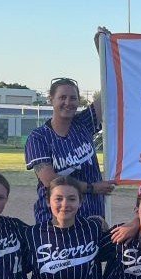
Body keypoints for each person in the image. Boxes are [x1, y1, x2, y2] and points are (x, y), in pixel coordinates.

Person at [25, 69, 114, 223]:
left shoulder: (83, 123)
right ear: (51, 99)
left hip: (91, 215)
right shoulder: (39, 137)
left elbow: (109, 94)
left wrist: (115, 64)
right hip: (55, 219)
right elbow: (50, 180)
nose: (68, 102)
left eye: (73, 98)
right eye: (62, 97)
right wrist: (92, 187)